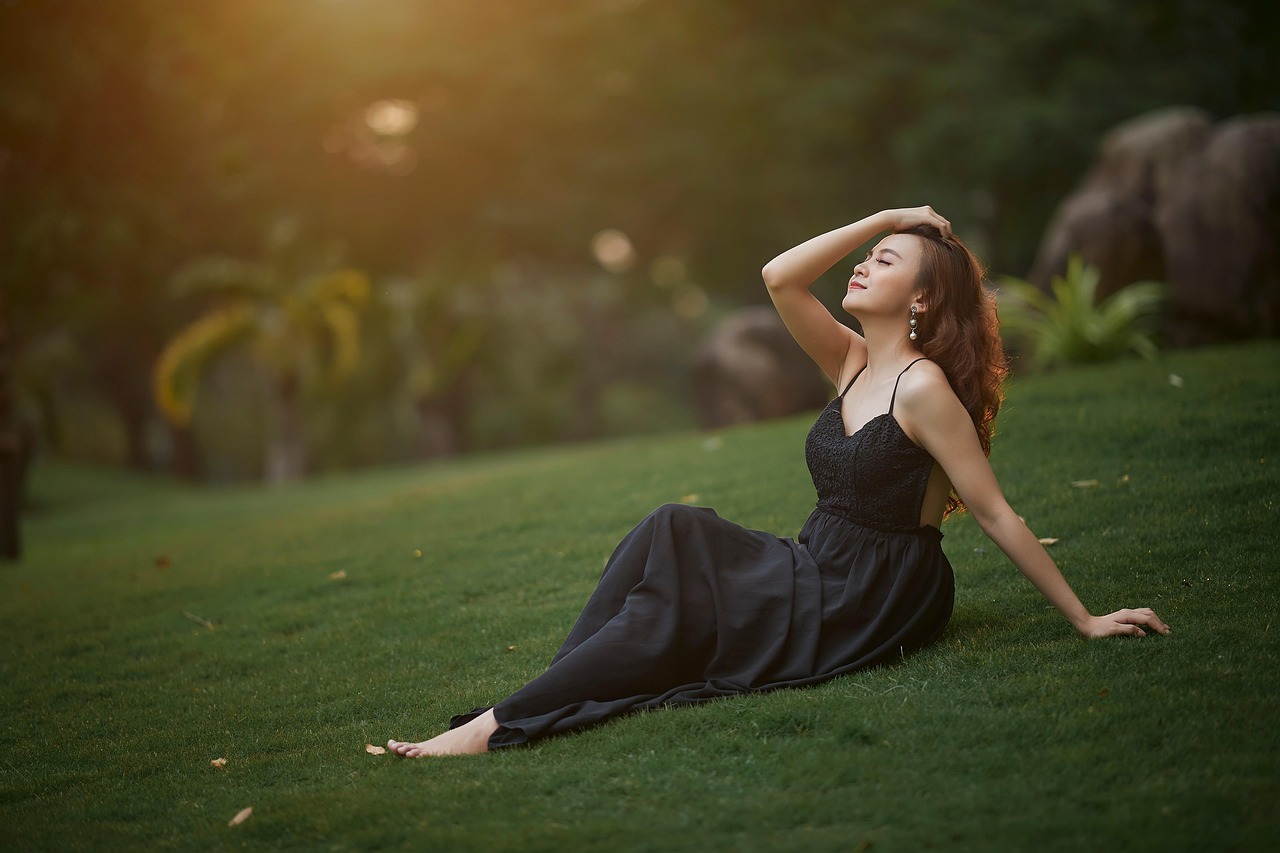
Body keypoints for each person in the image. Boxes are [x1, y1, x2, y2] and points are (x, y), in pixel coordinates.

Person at [388, 206, 1170, 757]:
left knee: (674, 586)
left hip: (873, 590)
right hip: (815, 560)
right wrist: (884, 220)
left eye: (886, 261)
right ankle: (539, 697)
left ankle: (499, 724)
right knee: (671, 525)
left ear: (923, 298)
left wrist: (1085, 617)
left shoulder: (925, 388)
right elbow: (778, 276)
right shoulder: (851, 359)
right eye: (869, 255)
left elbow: (995, 512)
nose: (864, 264)